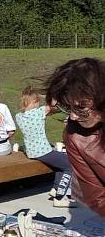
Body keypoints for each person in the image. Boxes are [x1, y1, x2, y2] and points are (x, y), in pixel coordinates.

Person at [44, 58, 105, 216]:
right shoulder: (75, 135)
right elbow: (97, 198)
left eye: (81, 107)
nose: (73, 116)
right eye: (68, 107)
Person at [14, 86, 75, 207]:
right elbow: (54, 106)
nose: (39, 104)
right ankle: (59, 197)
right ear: (34, 101)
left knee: (60, 161)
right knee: (70, 165)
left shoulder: (18, 116)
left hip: (31, 152)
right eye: (37, 101)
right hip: (43, 151)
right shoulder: (39, 112)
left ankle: (55, 189)